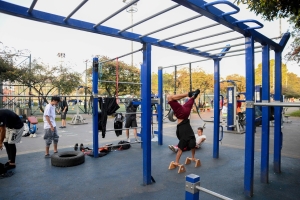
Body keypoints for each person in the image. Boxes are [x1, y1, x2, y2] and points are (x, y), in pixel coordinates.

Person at [167, 89, 200, 166]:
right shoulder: (180, 110)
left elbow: (180, 150)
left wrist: (187, 95)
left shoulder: (179, 111)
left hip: (184, 115)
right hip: (185, 117)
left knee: (169, 97)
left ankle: (189, 94)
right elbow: (191, 146)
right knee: (192, 144)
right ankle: (193, 157)